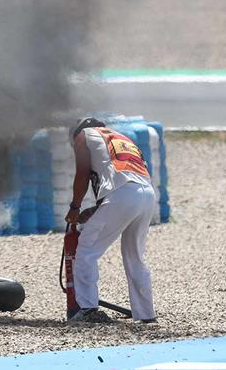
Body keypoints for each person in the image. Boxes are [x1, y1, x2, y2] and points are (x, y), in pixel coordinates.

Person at [65, 117, 157, 324]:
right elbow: (125, 177)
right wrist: (98, 209)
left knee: (86, 249)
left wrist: (75, 207)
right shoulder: (122, 138)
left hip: (122, 195)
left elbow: (82, 174)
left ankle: (88, 310)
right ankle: (146, 314)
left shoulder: (83, 136)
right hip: (147, 195)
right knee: (135, 257)